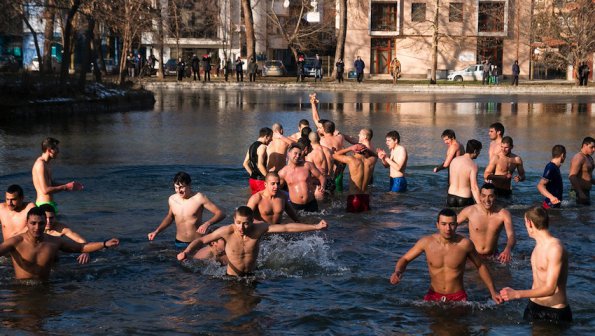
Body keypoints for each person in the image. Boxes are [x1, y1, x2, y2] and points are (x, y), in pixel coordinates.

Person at [390, 208, 502, 303]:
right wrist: (398, 271)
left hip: (458, 298)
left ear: (456, 225)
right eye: (444, 224)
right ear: (437, 225)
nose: (448, 228)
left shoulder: (464, 244)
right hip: (433, 296)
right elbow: (405, 259)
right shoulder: (426, 243)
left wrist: (493, 291)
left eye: (452, 224)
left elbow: (480, 266)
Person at [177, 206, 328, 277]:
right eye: (238, 223)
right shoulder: (227, 231)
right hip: (231, 278)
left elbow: (286, 228)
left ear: (252, 221)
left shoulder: (259, 228)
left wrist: (315, 226)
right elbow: (203, 239)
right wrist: (186, 252)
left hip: (252, 276)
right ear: (234, 220)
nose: (241, 227)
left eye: (246, 223)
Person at [0, 207, 119, 282]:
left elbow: (80, 247)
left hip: (45, 287)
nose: (37, 227)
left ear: (45, 223)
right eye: (33, 223)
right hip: (21, 290)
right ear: (27, 223)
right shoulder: (16, 242)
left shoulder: (53, 242)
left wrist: (104, 244)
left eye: (41, 223)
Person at [500, 207, 572, 324]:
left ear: (529, 223)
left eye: (525, 222)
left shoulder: (555, 248)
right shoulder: (537, 247)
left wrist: (516, 294)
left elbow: (550, 289)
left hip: (554, 311)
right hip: (533, 306)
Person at [147, 172, 226, 248]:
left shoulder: (199, 198)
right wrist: (156, 231)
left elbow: (221, 213)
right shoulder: (172, 199)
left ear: (189, 185)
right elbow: (170, 217)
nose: (179, 190)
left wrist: (207, 223)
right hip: (179, 242)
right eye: (176, 187)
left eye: (182, 187)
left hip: (197, 242)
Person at [457, 183, 515, 262]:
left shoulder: (503, 214)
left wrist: (507, 249)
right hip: (473, 255)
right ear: (480, 197)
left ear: (496, 197)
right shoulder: (470, 211)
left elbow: (511, 236)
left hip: (493, 256)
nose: (487, 200)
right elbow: (451, 225)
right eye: (483, 196)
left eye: (490, 196)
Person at [32, 137, 84, 212]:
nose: (58, 151)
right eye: (56, 149)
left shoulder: (45, 164)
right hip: (44, 206)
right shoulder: (41, 165)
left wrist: (69, 186)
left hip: (48, 204)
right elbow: (45, 190)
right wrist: (65, 187)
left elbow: (51, 184)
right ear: (50, 150)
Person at [278, 144, 325, 212]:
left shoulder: (307, 165)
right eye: (295, 153)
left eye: (299, 154)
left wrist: (322, 188)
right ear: (289, 154)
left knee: (316, 221)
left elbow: (321, 177)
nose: (297, 156)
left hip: (311, 202)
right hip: (295, 206)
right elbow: (278, 188)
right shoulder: (283, 172)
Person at [333, 143, 377, 212]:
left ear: (354, 151)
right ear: (365, 151)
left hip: (354, 197)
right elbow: (376, 155)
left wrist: (350, 148)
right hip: (365, 197)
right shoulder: (370, 161)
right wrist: (366, 149)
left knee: (352, 221)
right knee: (365, 221)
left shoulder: (351, 160)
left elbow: (334, 155)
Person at [447, 139, 482, 207]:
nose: (479, 154)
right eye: (479, 151)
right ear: (475, 151)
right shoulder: (473, 165)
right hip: (464, 198)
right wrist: (480, 205)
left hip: (450, 196)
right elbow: (474, 187)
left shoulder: (454, 160)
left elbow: (450, 181)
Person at [243, 127, 273, 194]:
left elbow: (245, 163)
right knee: (265, 201)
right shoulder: (263, 147)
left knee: (256, 200)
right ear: (266, 136)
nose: (271, 140)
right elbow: (260, 165)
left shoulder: (251, 146)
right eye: (271, 137)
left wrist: (251, 173)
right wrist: (269, 178)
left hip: (252, 180)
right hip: (260, 181)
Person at [538, 145, 566, 209]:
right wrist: (551, 197)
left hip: (554, 205)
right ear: (562, 155)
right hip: (549, 206)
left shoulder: (555, 167)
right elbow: (540, 185)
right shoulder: (551, 167)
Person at [568, 136, 594, 205]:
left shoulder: (589, 158)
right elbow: (572, 176)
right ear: (585, 145)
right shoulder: (578, 157)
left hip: (585, 192)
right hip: (576, 192)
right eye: (592, 147)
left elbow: (587, 177)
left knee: (586, 214)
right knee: (580, 213)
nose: (594, 149)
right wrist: (580, 192)